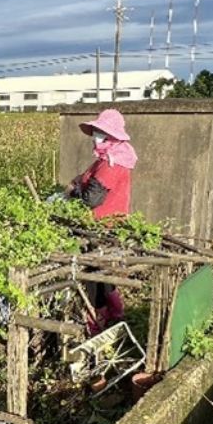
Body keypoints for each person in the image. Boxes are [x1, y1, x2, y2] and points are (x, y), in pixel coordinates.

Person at [67, 108, 138, 332]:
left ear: (112, 137)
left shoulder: (111, 163)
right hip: (107, 224)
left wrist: (73, 191)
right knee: (102, 272)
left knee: (93, 274)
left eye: (101, 132)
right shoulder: (107, 158)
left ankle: (97, 320)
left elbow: (91, 199)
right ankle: (113, 313)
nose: (96, 136)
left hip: (101, 225)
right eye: (96, 131)